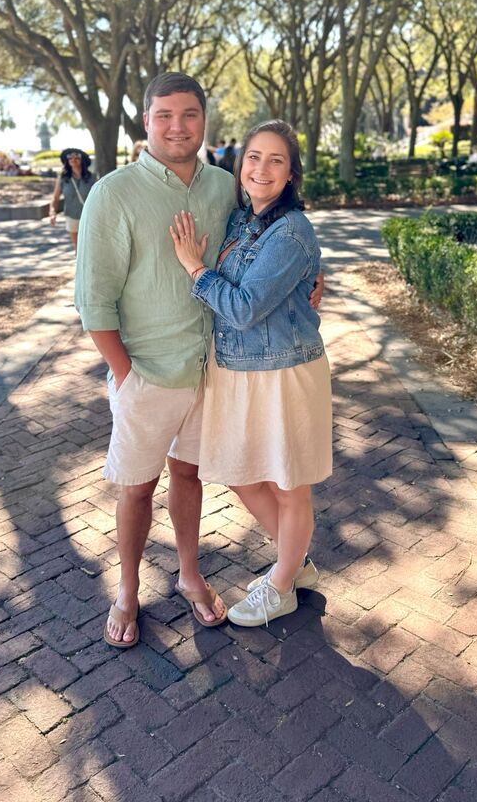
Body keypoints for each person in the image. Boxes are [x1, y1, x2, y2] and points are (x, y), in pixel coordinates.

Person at [75, 73, 236, 647]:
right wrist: (125, 374)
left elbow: (257, 247)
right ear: (145, 122)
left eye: (189, 114)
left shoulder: (224, 187)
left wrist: (308, 281)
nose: (177, 126)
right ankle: (126, 590)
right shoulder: (113, 192)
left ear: (203, 120)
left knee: (189, 474)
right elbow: (93, 298)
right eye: (164, 115)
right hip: (147, 372)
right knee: (136, 487)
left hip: (210, 367)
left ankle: (190, 575)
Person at [170, 120, 332, 627]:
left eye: (276, 160)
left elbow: (242, 308)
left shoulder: (292, 230)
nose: (261, 168)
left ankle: (281, 585)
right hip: (237, 370)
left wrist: (195, 269)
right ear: (241, 165)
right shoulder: (242, 222)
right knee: (241, 472)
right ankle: (294, 559)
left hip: (285, 373)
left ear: (291, 174)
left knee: (290, 484)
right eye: (254, 157)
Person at [50, 148, 95, 250]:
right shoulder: (63, 178)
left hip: (89, 216)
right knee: (78, 249)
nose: (73, 158)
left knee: (90, 247)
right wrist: (52, 212)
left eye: (77, 156)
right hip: (72, 216)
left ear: (82, 160)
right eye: (69, 156)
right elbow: (55, 197)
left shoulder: (92, 177)